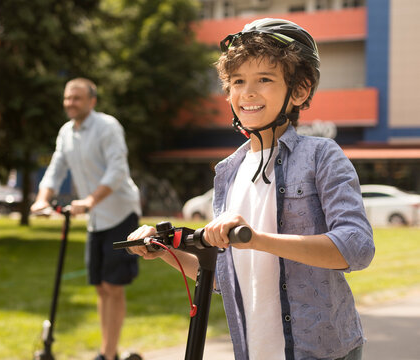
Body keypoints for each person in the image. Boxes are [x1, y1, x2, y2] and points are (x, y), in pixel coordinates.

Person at [127, 18, 374, 360]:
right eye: (237, 81)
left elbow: (356, 247)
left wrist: (256, 239)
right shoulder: (228, 172)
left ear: (299, 91)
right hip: (256, 350)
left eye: (265, 79)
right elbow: (224, 278)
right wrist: (165, 251)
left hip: (322, 350)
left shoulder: (321, 156)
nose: (248, 92)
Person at [32, 78, 141, 360]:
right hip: (95, 219)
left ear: (92, 101)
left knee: (113, 286)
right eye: (68, 98)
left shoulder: (107, 127)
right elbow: (56, 169)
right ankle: (110, 352)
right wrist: (42, 199)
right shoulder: (66, 132)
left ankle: (107, 353)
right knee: (100, 287)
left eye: (77, 98)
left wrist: (90, 201)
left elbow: (118, 170)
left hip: (119, 213)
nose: (70, 103)